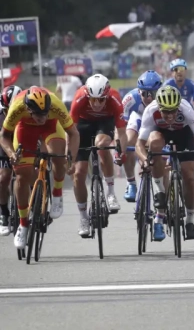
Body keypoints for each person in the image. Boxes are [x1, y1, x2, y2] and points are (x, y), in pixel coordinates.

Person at [0, 87, 81, 250]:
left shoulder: (55, 105)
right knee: (22, 176)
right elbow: (4, 136)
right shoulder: (17, 107)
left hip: (52, 127)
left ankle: (57, 195)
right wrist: (11, 154)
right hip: (25, 129)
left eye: (45, 113)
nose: (42, 117)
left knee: (58, 158)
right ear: (29, 109)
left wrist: (70, 159)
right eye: (38, 114)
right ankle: (23, 225)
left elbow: (73, 133)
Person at [136, 86, 194, 242]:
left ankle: (190, 221)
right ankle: (159, 191)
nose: (170, 116)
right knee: (155, 142)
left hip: (183, 134)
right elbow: (139, 144)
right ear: (159, 108)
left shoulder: (186, 110)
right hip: (160, 132)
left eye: (173, 111)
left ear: (178, 107)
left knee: (189, 176)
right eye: (166, 112)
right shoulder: (151, 111)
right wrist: (145, 160)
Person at [70, 74, 128, 236]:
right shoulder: (79, 98)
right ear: (87, 95)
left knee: (102, 146)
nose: (96, 104)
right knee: (78, 174)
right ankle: (83, 217)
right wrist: (70, 159)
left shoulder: (115, 99)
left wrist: (120, 152)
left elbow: (122, 133)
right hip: (83, 125)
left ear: (107, 96)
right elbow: (71, 132)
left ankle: (110, 193)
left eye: (101, 100)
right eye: (93, 100)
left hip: (104, 123)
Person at [120, 70, 163, 202]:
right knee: (128, 141)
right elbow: (121, 126)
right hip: (138, 119)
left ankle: (162, 193)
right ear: (139, 92)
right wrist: (120, 148)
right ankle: (131, 183)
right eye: (145, 93)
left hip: (156, 121)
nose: (149, 98)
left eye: (153, 94)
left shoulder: (163, 98)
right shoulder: (130, 99)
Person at [0, 86, 22, 236]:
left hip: (22, 141)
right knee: (3, 178)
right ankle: (4, 212)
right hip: (4, 144)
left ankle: (35, 202)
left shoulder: (26, 110)